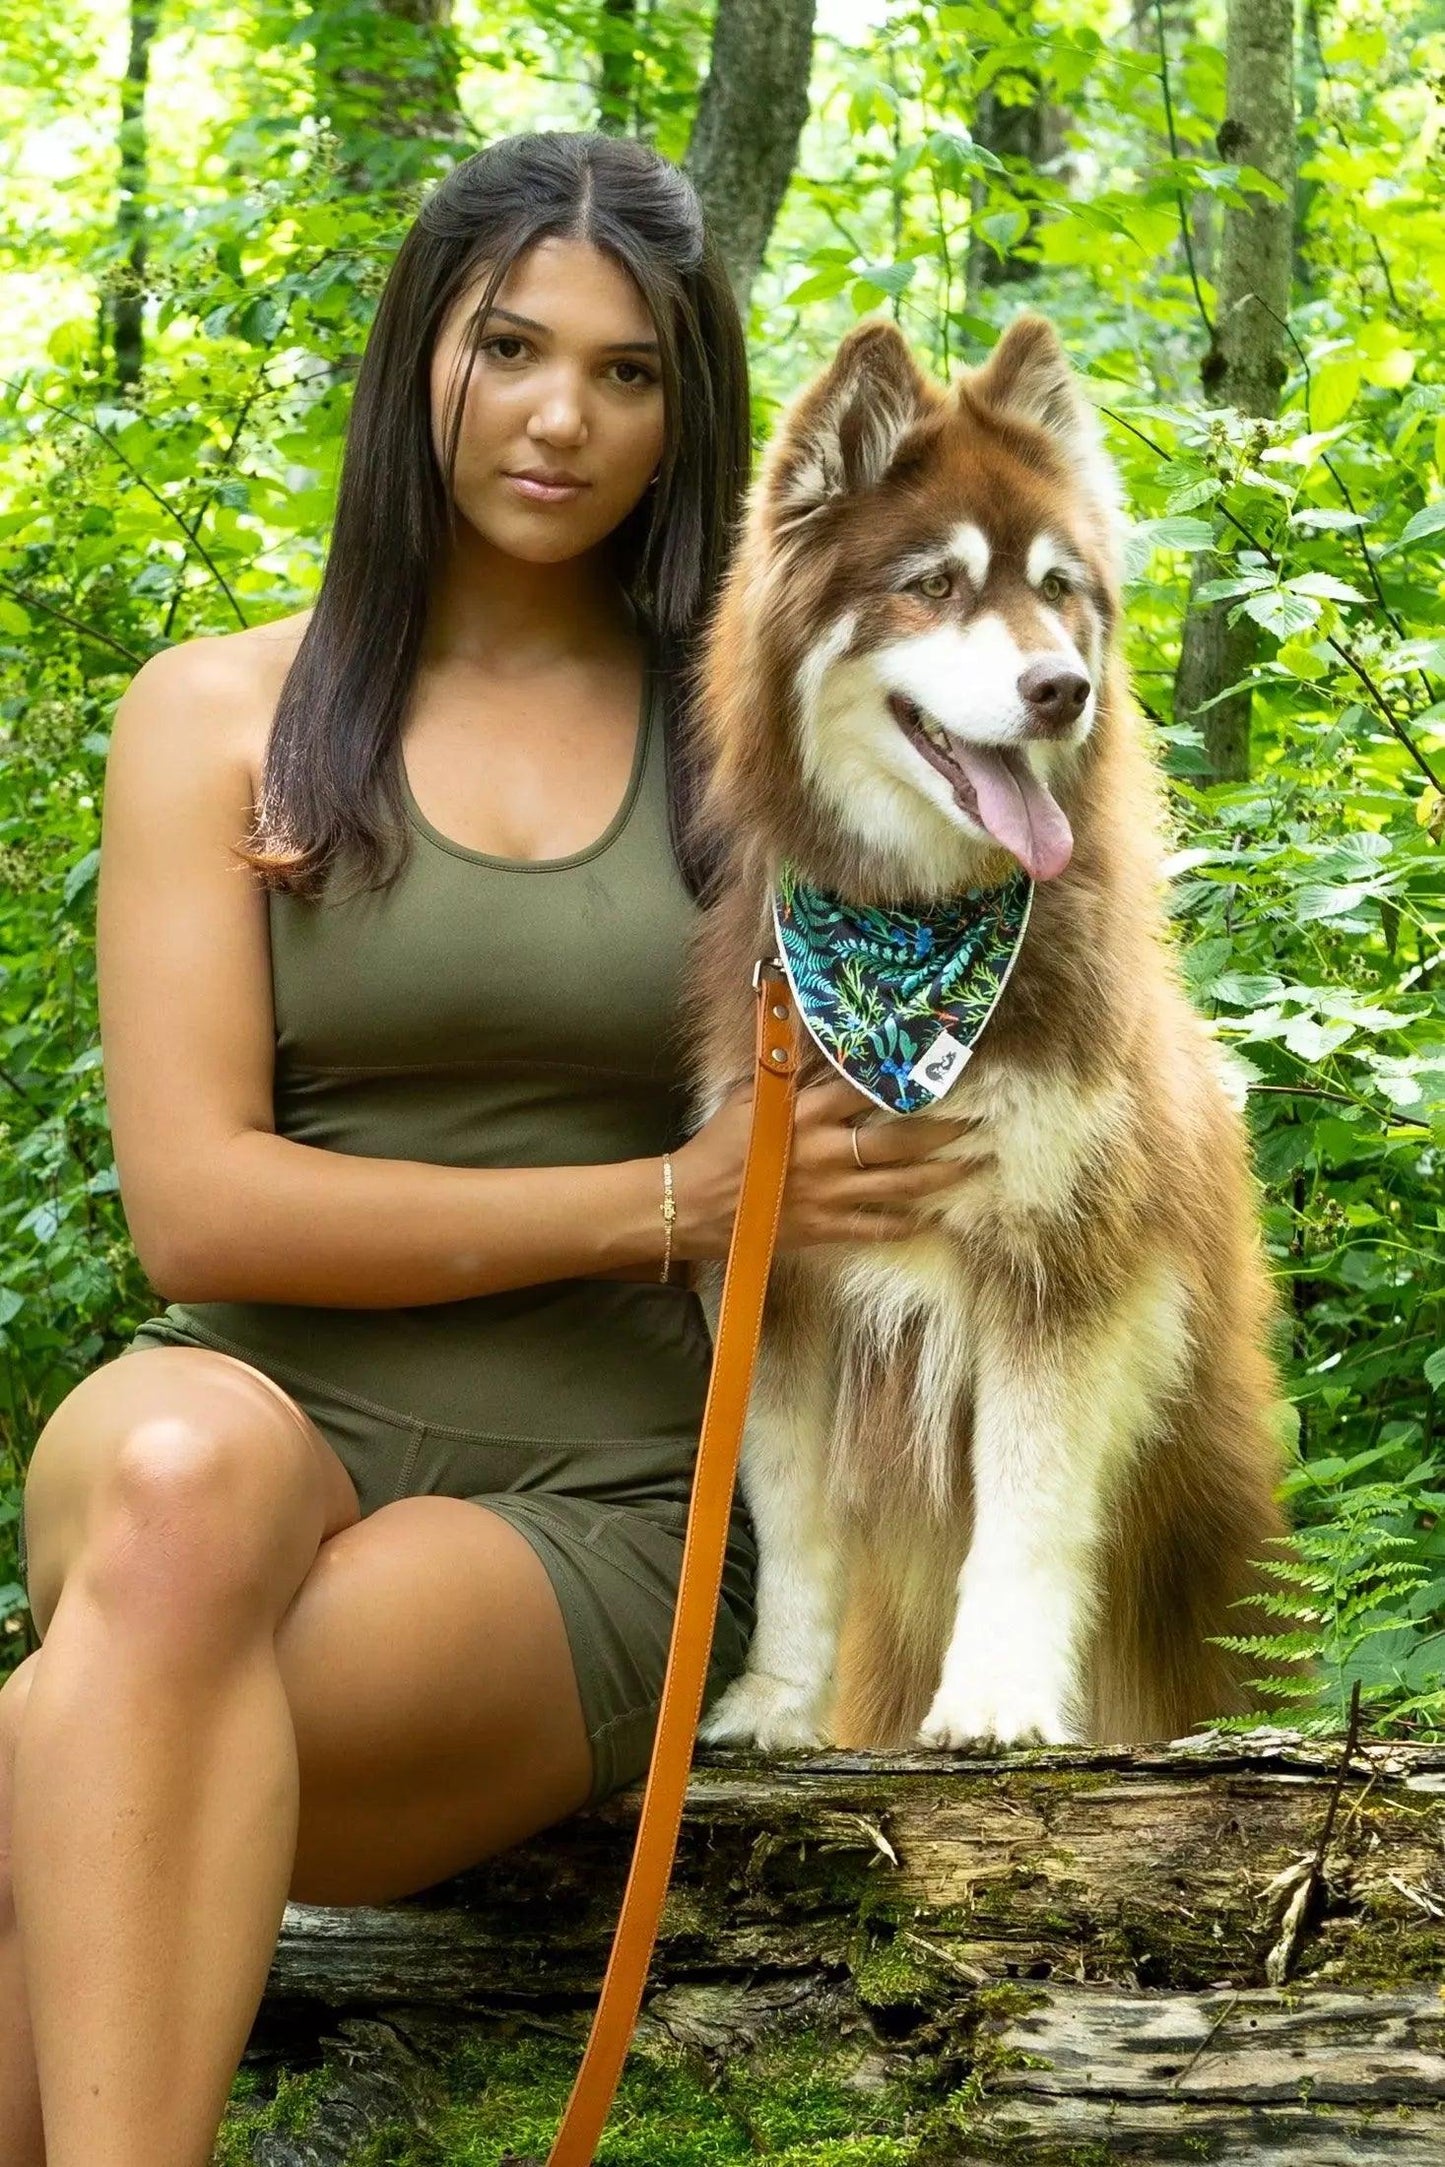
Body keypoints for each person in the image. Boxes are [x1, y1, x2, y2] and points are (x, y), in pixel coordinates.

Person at [0, 129, 990, 2167]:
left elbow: (930, 1141)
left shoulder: (769, 738)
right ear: (418, 361)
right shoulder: (221, 715)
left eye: (628, 372)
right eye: (511, 347)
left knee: (79, 1738)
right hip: (258, 1402)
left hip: (611, 1485)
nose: (563, 415)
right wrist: (665, 1204)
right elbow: (200, 1202)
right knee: (173, 1497)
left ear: (686, 409)